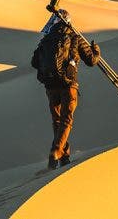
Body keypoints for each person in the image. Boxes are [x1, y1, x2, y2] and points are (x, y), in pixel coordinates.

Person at [31, 9, 101, 169]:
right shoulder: (75, 37)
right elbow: (91, 61)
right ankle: (56, 151)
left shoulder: (46, 39)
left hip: (50, 86)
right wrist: (96, 50)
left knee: (57, 120)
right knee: (66, 119)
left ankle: (64, 157)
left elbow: (34, 62)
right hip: (68, 84)